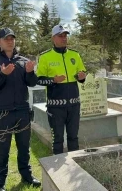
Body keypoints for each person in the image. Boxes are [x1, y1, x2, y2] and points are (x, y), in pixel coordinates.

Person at [0, 28, 40, 191]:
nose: (10, 41)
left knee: (24, 147)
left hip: (22, 111)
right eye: (6, 38)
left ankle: (27, 175)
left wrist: (30, 73)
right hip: (2, 113)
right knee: (2, 150)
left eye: (12, 38)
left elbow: (31, 82)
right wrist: (2, 74)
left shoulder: (22, 61)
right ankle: (0, 184)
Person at [36, 25, 87, 155]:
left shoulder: (75, 55)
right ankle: (57, 173)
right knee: (58, 140)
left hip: (74, 105)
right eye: (60, 36)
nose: (64, 38)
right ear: (53, 38)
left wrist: (81, 76)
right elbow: (39, 79)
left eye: (65, 36)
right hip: (56, 107)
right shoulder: (45, 57)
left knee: (73, 138)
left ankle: (75, 166)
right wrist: (53, 80)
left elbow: (80, 74)